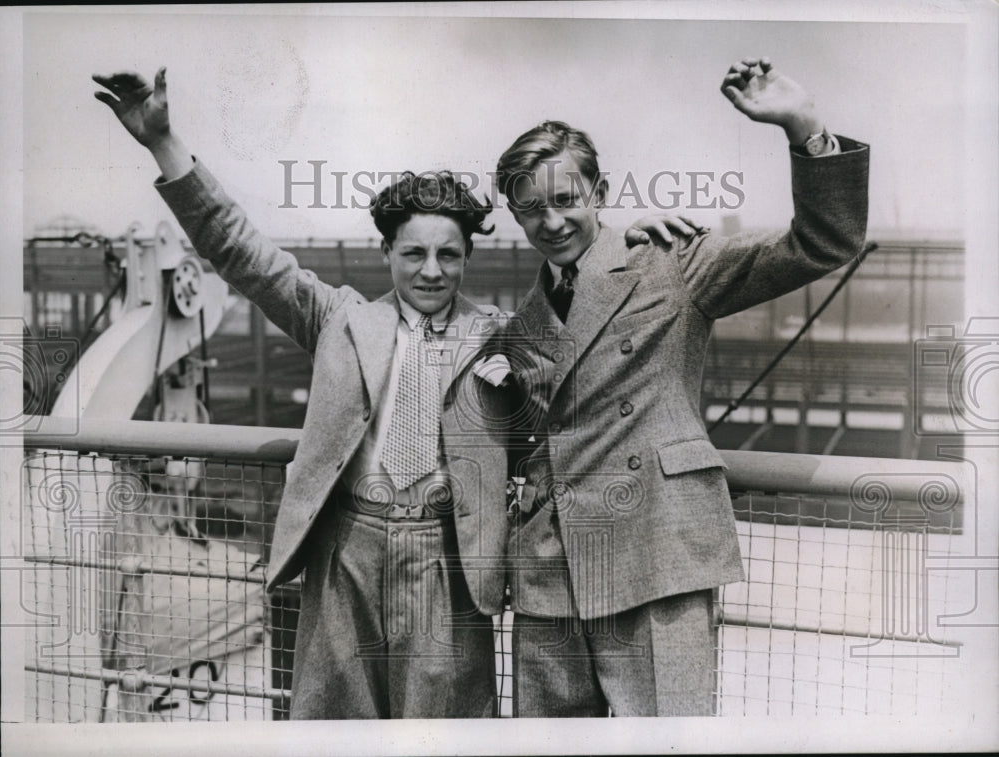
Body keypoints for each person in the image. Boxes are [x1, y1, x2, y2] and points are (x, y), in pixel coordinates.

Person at [92, 67, 689, 718]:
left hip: (448, 564)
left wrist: (622, 245)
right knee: (336, 727)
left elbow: (580, 366)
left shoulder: (502, 334)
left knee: (444, 731)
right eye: (414, 254)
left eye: (449, 255)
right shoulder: (338, 318)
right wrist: (163, 142)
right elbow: (240, 251)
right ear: (386, 252)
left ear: (467, 258)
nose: (432, 271)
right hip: (347, 553)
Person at [495, 57, 870, 716]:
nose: (551, 223)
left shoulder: (672, 260)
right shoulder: (522, 323)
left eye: (565, 200)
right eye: (531, 209)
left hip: (656, 555)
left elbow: (823, 242)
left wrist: (802, 128)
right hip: (551, 573)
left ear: (598, 191)